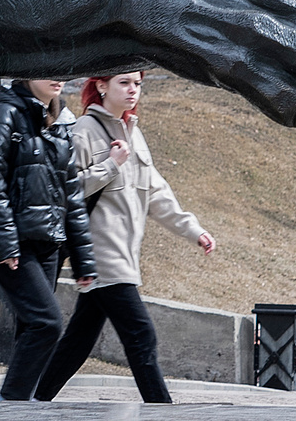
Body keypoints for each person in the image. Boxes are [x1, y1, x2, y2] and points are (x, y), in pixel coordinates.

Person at [34, 72, 212, 404]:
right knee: (141, 335)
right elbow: (66, 190)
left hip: (123, 257)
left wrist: (194, 230)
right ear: (101, 86)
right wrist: (112, 165)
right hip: (100, 256)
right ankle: (162, 413)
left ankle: (33, 400)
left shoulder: (134, 134)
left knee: (78, 342)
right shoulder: (84, 132)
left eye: (137, 84)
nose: (133, 90)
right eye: (124, 83)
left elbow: (157, 194)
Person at [0, 77, 97, 400]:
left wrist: (84, 260)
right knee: (47, 324)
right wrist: (4, 244)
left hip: (49, 245)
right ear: (27, 74)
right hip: (15, 245)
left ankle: (18, 420)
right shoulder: (4, 116)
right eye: (49, 71)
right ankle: (10, 406)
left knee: (31, 329)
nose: (59, 78)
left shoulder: (61, 122)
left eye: (62, 71)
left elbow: (71, 193)